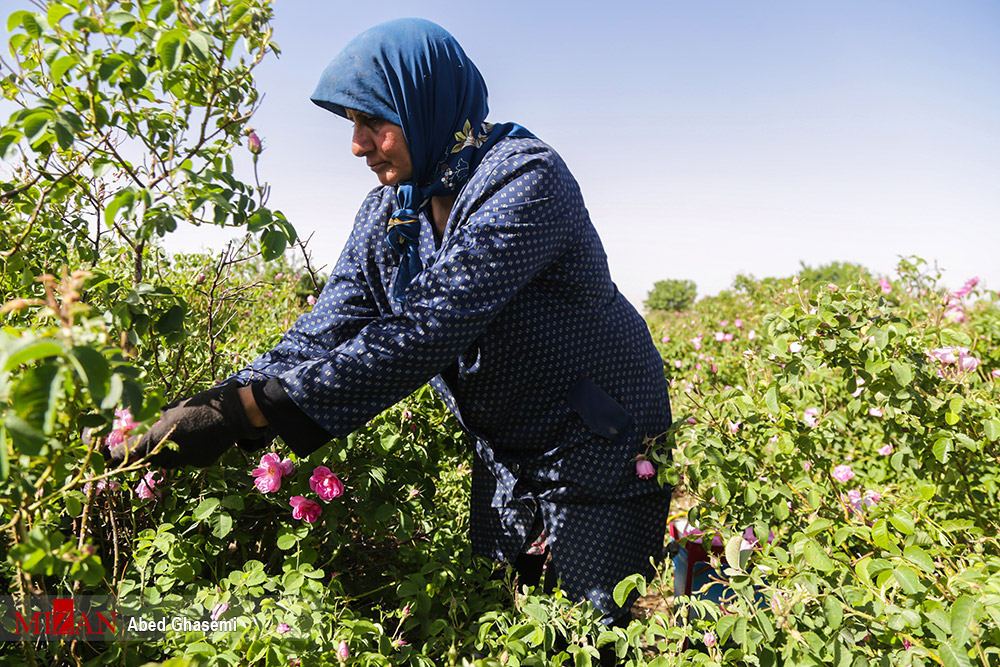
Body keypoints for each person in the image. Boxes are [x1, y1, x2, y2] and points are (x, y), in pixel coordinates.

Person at [112, 18, 672, 628]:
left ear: (425, 102)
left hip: (599, 435)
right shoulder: (392, 210)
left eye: (373, 121)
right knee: (514, 609)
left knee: (587, 626)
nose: (356, 145)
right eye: (351, 124)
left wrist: (255, 409)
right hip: (509, 443)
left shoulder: (524, 180)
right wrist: (219, 403)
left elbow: (429, 328)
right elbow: (325, 328)